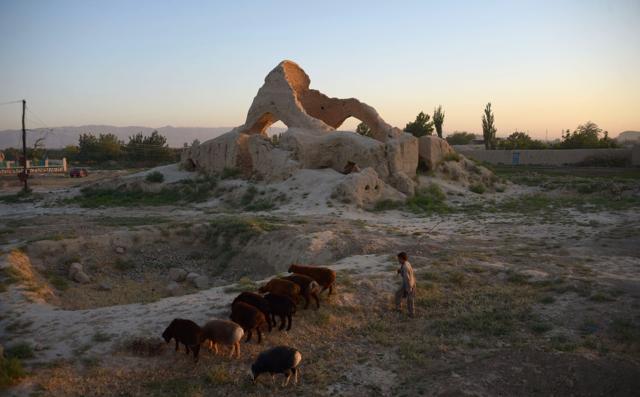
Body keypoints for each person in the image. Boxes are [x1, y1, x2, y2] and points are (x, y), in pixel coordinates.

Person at [395, 252, 416, 317]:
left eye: (399, 259)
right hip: (408, 282)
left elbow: (407, 279)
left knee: (410, 300)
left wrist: (408, 289)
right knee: (398, 293)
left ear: (402, 259)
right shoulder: (406, 263)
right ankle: (398, 308)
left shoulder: (405, 267)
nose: (398, 260)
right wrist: (400, 271)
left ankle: (411, 314)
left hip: (409, 284)